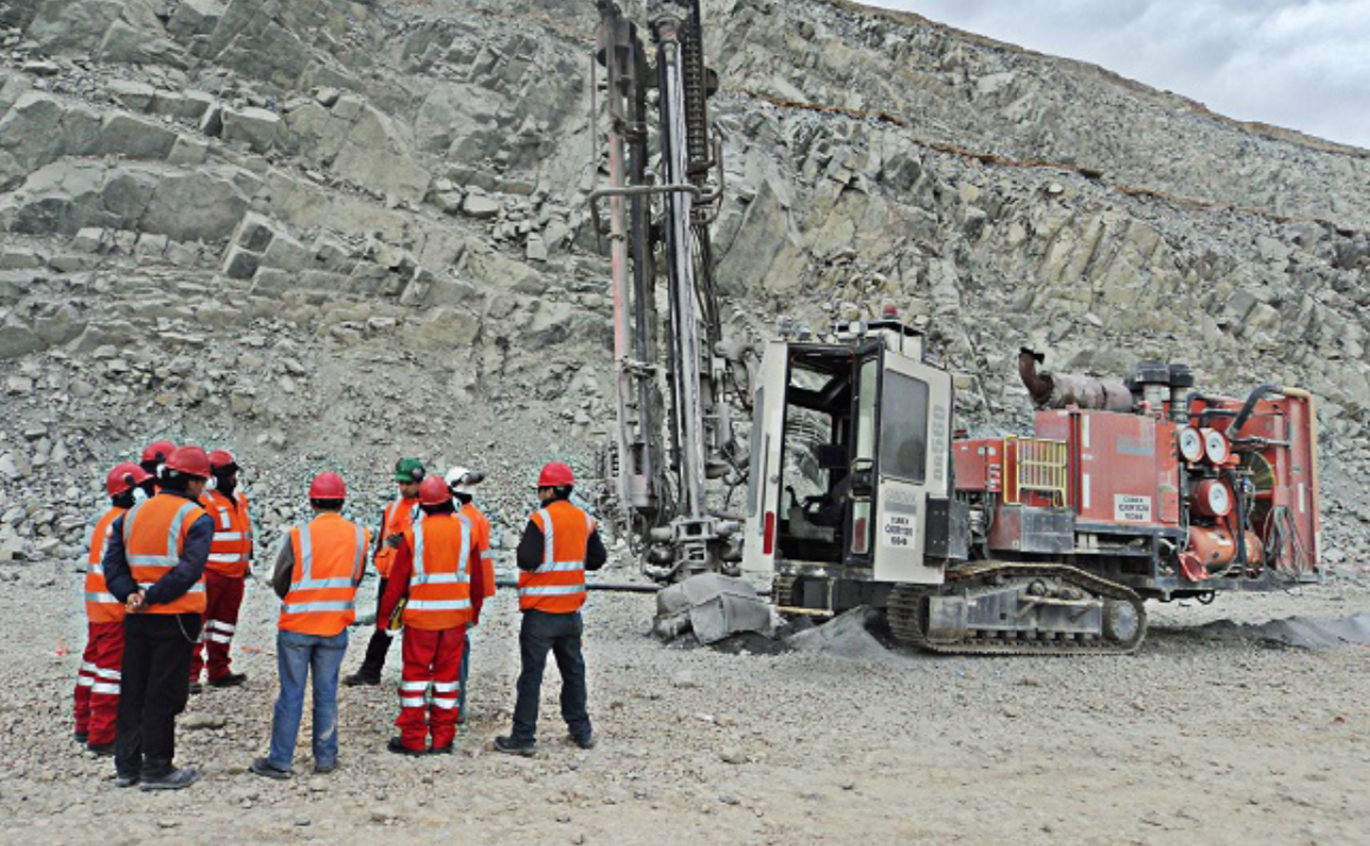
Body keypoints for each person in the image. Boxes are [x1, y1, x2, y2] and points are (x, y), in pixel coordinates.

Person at [102, 445, 215, 790]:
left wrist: (131, 595)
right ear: (193, 482)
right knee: (163, 694)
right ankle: (158, 768)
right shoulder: (196, 517)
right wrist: (152, 596)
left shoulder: (131, 515)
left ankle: (127, 766)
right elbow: (188, 571)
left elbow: (113, 567)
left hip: (137, 616)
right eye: (202, 482)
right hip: (176, 617)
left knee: (133, 691)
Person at [249, 472, 370, 779]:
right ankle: (325, 758)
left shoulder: (299, 535)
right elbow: (356, 576)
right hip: (335, 626)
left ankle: (280, 761)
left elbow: (281, 580)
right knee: (326, 693)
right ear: (342, 501)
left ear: (312, 500)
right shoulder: (359, 535)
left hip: (298, 626)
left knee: (291, 692)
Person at [495, 462, 606, 756]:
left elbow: (526, 559)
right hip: (571, 613)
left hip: (541, 614)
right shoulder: (584, 520)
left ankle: (523, 737)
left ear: (548, 490)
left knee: (532, 675)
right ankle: (581, 731)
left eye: (540, 489)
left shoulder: (541, 520)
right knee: (574, 672)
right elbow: (597, 559)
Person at [377, 476, 485, 754]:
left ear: (422, 506)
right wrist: (475, 612)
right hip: (455, 620)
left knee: (414, 679)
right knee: (448, 680)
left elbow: (397, 582)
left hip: (420, 621)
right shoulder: (466, 531)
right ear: (450, 501)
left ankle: (413, 739)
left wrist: (385, 618)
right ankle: (442, 739)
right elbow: (478, 582)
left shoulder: (414, 534)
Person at [74, 462, 152, 755]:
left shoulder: (106, 520)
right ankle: (103, 736)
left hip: (97, 610)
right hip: (115, 611)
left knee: (91, 668)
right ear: (130, 490)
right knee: (110, 673)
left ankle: (83, 724)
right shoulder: (124, 523)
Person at [345, 458, 425, 686]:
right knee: (383, 625)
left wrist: (406, 544)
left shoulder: (427, 508)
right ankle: (371, 671)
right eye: (400, 483)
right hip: (389, 577)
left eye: (408, 483)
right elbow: (382, 538)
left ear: (419, 481)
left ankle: (417, 673)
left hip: (413, 578)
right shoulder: (392, 508)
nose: (403, 488)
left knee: (416, 628)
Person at [189, 450, 253, 692]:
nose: (234, 479)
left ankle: (219, 670)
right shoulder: (204, 502)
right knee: (197, 624)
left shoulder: (239, 500)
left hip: (235, 575)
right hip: (210, 573)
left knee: (224, 626)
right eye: (229, 474)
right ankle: (190, 674)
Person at [445, 466, 493, 723]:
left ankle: (442, 706)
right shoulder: (478, 518)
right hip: (467, 599)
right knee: (459, 651)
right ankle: (456, 706)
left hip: (443, 598)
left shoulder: (450, 518)